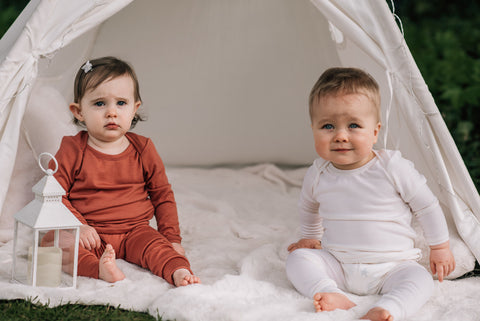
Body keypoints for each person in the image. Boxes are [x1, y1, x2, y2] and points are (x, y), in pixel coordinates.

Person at [286, 67, 455, 321]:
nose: (341, 136)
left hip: (392, 266)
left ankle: (389, 308)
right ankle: (329, 292)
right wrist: (310, 237)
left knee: (420, 279)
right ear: (313, 129)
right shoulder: (318, 172)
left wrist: (440, 246)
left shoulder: (392, 167)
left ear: (375, 132)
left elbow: (426, 206)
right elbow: (309, 206)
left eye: (353, 125)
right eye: (328, 126)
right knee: (298, 259)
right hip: (339, 264)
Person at [47, 56, 200, 287]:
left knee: (158, 247)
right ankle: (98, 269)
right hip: (91, 233)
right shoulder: (72, 148)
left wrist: (172, 239)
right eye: (99, 103)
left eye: (121, 103)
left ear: (134, 108)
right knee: (54, 243)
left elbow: (162, 196)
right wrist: (79, 225)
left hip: (135, 231)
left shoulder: (143, 149)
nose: (111, 112)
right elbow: (53, 193)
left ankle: (177, 271)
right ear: (79, 111)